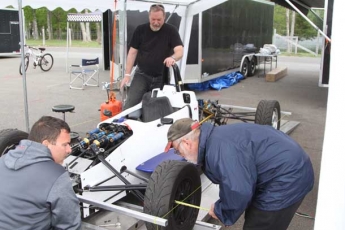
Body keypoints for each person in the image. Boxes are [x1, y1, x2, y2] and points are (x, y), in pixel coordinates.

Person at [164, 118, 314, 230]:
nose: (180, 155)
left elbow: (239, 189)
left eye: (177, 150)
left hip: (288, 178)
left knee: (260, 224)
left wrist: (221, 210)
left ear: (187, 143)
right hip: (289, 166)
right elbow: (236, 181)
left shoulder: (220, 151)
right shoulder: (217, 138)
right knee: (255, 214)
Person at [0, 116, 81, 230]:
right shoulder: (56, 175)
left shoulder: (3, 160)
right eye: (64, 144)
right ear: (46, 144)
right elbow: (70, 226)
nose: (69, 150)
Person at [120, 4, 184, 110]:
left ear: (164, 17)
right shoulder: (140, 30)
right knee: (130, 105)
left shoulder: (171, 30)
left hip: (161, 77)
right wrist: (127, 74)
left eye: (159, 19)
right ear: (149, 16)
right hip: (142, 75)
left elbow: (179, 51)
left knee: (156, 108)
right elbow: (132, 53)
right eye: (153, 19)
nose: (156, 23)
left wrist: (173, 58)